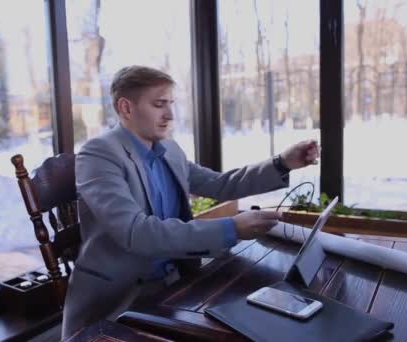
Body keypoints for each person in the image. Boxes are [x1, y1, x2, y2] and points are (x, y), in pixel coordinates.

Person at [62, 65, 319, 338]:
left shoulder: (169, 149)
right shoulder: (99, 154)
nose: (170, 115)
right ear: (125, 108)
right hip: (120, 298)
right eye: (159, 104)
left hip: (176, 283)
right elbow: (136, 232)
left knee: (259, 316)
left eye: (170, 104)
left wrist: (282, 163)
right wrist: (231, 228)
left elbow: (221, 185)